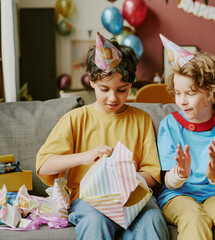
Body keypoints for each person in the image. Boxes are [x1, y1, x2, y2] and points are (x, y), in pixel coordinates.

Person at [36, 32, 169, 240]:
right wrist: (85, 156)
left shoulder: (141, 119)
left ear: (131, 84)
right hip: (87, 200)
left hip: (133, 197)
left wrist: (128, 182)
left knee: (152, 219)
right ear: (91, 81)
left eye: (122, 90)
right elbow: (44, 165)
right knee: (96, 220)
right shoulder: (75, 119)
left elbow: (152, 172)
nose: (113, 98)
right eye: (104, 89)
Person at [156, 34, 215, 240]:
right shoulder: (170, 125)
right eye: (178, 93)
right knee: (194, 219)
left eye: (190, 93)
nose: (182, 101)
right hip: (178, 195)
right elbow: (167, 183)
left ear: (213, 93)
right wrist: (179, 173)